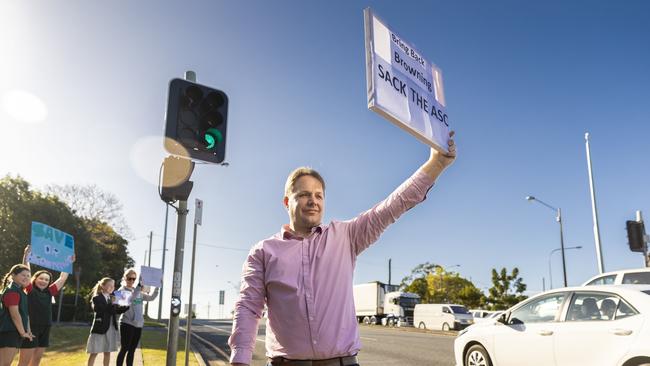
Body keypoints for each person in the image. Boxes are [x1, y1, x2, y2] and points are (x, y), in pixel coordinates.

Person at [229, 132, 456, 366]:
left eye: (319, 195)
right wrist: (240, 360)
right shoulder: (264, 251)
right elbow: (248, 307)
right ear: (287, 202)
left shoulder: (346, 236)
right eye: (304, 195)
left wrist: (436, 164)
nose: (313, 201)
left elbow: (392, 206)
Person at [17, 245, 74, 366]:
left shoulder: (50, 291)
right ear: (34, 279)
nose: (43, 281)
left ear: (49, 282)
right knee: (24, 362)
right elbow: (26, 271)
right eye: (41, 278)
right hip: (30, 327)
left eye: (46, 280)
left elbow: (62, 278)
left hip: (46, 327)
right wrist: (26, 255)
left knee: (36, 360)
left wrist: (69, 262)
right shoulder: (30, 289)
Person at [116, 268, 158, 366]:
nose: (131, 281)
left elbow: (151, 298)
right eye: (129, 278)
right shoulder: (120, 291)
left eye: (134, 279)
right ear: (124, 278)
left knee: (132, 350)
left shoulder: (138, 291)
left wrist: (157, 287)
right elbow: (130, 299)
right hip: (127, 323)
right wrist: (139, 286)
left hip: (138, 324)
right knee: (124, 349)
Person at [86, 277, 129, 366]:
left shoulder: (112, 298)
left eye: (113, 286)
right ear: (103, 286)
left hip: (110, 329)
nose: (112, 288)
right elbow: (100, 310)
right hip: (99, 329)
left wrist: (127, 306)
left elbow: (116, 311)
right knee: (94, 352)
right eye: (109, 285)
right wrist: (112, 303)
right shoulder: (97, 298)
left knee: (107, 352)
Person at [0, 264, 34, 366]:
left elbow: (24, 314)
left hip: (14, 332)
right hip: (9, 332)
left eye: (28, 276)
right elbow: (15, 315)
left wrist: (28, 330)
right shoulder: (12, 291)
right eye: (23, 275)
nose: (26, 278)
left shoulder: (20, 291)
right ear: (13, 275)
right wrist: (23, 333)